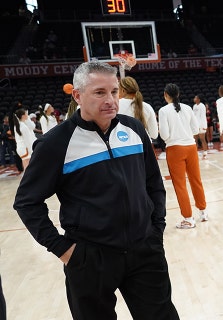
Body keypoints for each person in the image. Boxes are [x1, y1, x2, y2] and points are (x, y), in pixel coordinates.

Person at [13, 61, 180, 319]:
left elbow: (153, 183)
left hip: (144, 250)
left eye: (114, 91)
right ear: (77, 96)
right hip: (90, 258)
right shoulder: (55, 143)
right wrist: (63, 250)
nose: (110, 100)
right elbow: (26, 202)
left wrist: (156, 227)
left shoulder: (134, 129)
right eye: (100, 92)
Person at [158, 83, 208, 228]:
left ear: (166, 95)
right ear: (178, 94)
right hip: (191, 147)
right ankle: (203, 212)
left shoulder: (163, 110)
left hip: (175, 149)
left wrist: (171, 138)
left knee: (180, 185)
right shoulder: (187, 108)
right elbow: (195, 129)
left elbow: (165, 134)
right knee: (196, 180)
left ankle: (188, 218)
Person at [118, 76, 159, 141]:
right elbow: (154, 135)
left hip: (124, 145)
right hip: (145, 146)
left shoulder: (115, 105)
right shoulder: (147, 107)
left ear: (123, 90)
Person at [192, 94, 208, 159]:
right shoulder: (194, 106)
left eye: (195, 97)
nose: (194, 98)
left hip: (201, 125)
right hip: (195, 125)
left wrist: (204, 125)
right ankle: (195, 153)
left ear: (198, 99)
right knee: (194, 140)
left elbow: (203, 116)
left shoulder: (202, 106)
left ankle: (205, 153)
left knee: (202, 139)